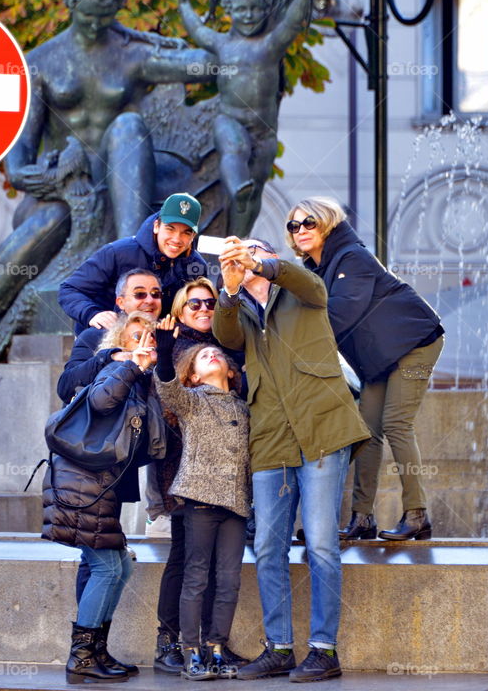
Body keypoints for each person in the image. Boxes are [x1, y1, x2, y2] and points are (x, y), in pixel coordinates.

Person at [0, 0, 214, 405]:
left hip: (125, 189)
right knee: (46, 225)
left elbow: (210, 68)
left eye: (104, 17)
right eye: (88, 15)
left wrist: (209, 21)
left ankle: (132, 252)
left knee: (128, 125)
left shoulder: (131, 52)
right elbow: (17, 166)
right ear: (72, 6)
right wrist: (62, 179)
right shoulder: (41, 62)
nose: (94, 25)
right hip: (57, 195)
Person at [212, 238, 371, 682]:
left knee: (321, 544)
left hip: (322, 429)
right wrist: (227, 289)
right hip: (271, 438)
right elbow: (225, 338)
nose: (244, 259)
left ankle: (324, 649)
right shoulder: (238, 307)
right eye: (237, 256)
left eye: (254, 252)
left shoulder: (301, 289)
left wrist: (265, 265)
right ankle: (279, 647)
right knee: (266, 546)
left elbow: (314, 286)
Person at [286, 197, 444, 541]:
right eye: (294, 225)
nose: (301, 230)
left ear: (327, 222)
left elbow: (341, 313)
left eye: (309, 223)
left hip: (415, 342)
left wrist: (291, 334)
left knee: (395, 423)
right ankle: (362, 519)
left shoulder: (351, 257)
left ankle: (417, 514)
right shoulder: (317, 269)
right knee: (367, 431)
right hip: (380, 356)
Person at [41, 311, 164, 684]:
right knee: (108, 567)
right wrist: (130, 365)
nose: (146, 341)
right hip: (83, 486)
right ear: (119, 344)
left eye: (151, 336)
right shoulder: (115, 371)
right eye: (136, 335)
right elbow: (100, 402)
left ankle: (95, 651)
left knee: (119, 566)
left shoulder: (139, 380)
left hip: (98, 486)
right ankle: (80, 657)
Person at [148, 279, 246, 675]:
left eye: (211, 302)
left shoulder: (243, 405)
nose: (204, 308)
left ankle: (216, 647)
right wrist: (165, 354)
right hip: (196, 498)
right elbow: (168, 390)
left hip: (236, 502)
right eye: (194, 304)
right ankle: (187, 648)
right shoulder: (191, 399)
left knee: (228, 580)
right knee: (193, 572)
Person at [175, 0, 312, 237]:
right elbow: (197, 30)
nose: (248, 15)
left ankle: (237, 238)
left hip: (263, 131)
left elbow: (294, 21)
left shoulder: (271, 44)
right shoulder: (222, 43)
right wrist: (183, 3)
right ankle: (238, 185)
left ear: (264, 10)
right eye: (241, 10)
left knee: (255, 190)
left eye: (254, 9)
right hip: (230, 119)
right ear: (230, 11)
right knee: (234, 149)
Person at [59, 193, 207, 334]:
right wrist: (92, 314)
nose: (176, 239)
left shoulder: (196, 266)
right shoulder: (117, 252)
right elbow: (69, 289)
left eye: (186, 233)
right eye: (170, 229)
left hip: (160, 344)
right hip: (104, 339)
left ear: (193, 236)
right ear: (156, 226)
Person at [56, 269, 163, 403]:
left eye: (155, 294)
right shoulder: (95, 335)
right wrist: (110, 356)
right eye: (140, 294)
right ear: (120, 302)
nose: (149, 300)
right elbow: (65, 387)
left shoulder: (169, 337)